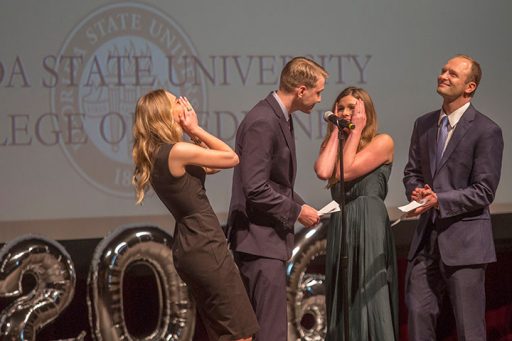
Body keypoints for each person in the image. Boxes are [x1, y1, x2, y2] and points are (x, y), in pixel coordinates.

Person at [132, 89, 259, 341]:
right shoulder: (176, 151)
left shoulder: (160, 153)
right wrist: (194, 130)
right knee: (240, 334)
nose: (183, 104)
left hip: (191, 245)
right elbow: (231, 157)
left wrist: (192, 135)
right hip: (204, 244)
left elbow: (211, 167)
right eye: (176, 101)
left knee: (224, 332)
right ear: (164, 113)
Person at [403, 55, 504, 340]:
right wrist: (416, 191)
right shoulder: (423, 124)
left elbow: (484, 190)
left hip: (466, 244)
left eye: (452, 74)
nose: (443, 75)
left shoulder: (487, 131)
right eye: (443, 70)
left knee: (469, 329)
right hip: (426, 241)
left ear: (469, 87)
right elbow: (411, 172)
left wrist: (440, 200)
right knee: (419, 320)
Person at [227, 56, 325, 341]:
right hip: (259, 242)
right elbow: (255, 188)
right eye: (318, 92)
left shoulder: (278, 117)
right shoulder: (264, 120)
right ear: (301, 90)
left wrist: (302, 205)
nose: (320, 100)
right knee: (270, 333)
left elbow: (274, 182)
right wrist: (296, 212)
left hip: (265, 241)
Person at [315, 86, 399, 340]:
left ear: (366, 111)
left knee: (368, 295)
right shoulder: (340, 144)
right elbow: (323, 170)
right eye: (341, 108)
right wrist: (335, 131)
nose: (345, 112)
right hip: (342, 224)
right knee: (343, 296)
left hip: (368, 222)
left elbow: (346, 171)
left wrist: (358, 129)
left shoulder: (382, 141)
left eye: (353, 108)